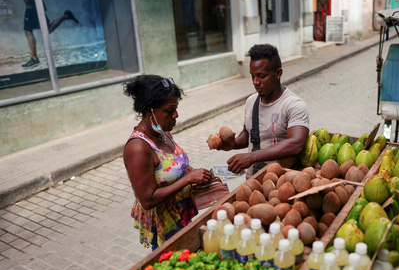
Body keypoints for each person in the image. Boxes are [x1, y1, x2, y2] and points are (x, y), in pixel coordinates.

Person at [123, 75, 228, 250]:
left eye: (176, 108)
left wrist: (200, 175)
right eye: (170, 110)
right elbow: (147, 199)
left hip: (182, 218)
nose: (176, 115)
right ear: (150, 111)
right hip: (165, 228)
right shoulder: (138, 149)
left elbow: (175, 164)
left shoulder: (162, 133)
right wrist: (188, 179)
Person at [215, 44, 310, 177]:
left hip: (282, 184)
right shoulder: (251, 101)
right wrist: (233, 143)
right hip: (254, 182)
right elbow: (249, 135)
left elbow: (296, 143)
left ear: (278, 73)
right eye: (252, 76)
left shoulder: (294, 105)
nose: (255, 82)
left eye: (261, 76)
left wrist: (252, 157)